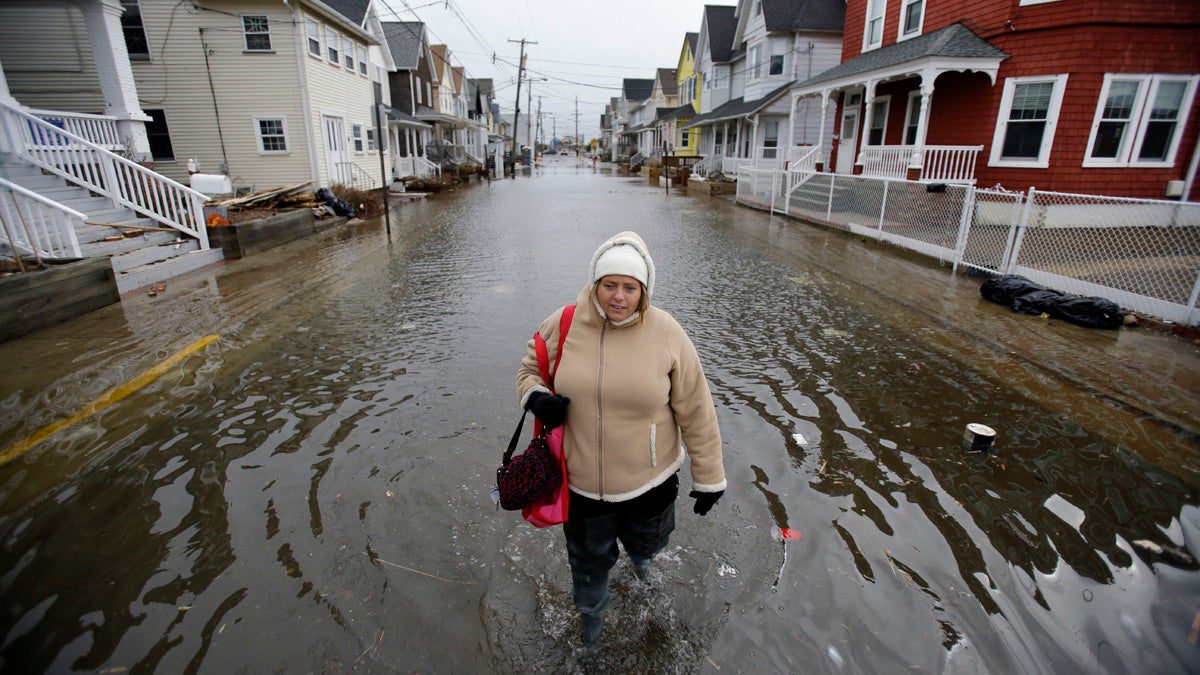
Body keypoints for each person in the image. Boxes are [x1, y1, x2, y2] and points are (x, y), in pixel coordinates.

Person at [515, 231, 726, 645]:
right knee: (589, 567)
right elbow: (528, 371)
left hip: (649, 483)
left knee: (649, 545)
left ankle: (643, 564)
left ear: (643, 290)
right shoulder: (563, 324)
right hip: (582, 487)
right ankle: (590, 634)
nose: (618, 297)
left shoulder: (667, 333)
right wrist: (536, 397)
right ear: (595, 284)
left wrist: (709, 476)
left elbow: (697, 408)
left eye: (630, 287)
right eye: (609, 285)